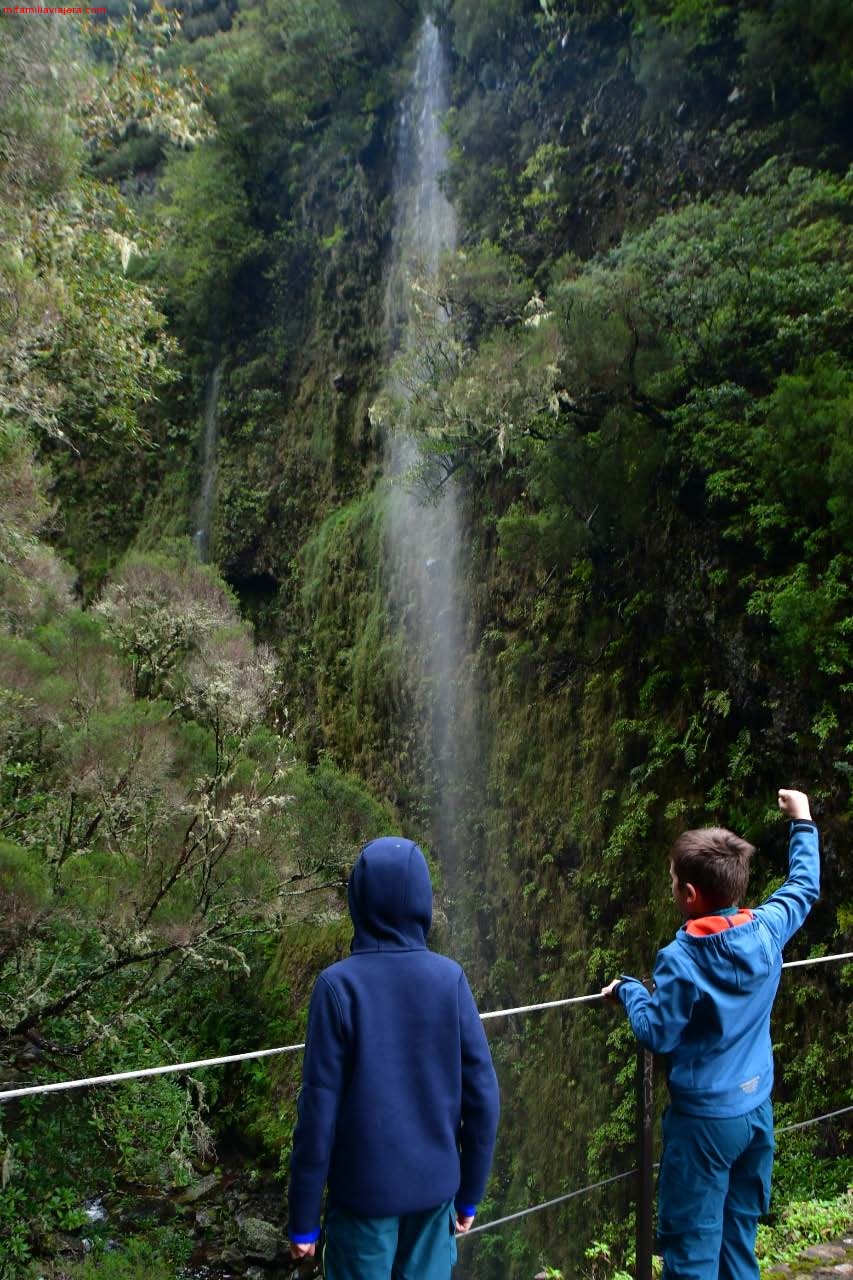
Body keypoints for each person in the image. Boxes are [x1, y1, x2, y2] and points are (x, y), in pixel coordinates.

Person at [602, 788, 820, 1280]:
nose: (672, 886)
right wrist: (802, 821)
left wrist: (630, 991)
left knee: (692, 1249)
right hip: (757, 1112)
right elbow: (803, 887)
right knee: (738, 1237)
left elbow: (658, 1032)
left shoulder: (680, 961)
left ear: (690, 896)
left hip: (704, 1125)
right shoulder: (766, 929)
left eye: (674, 880)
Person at [287, 835, 500, 1279]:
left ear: (357, 900)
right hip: (435, 1200)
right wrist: (469, 1195)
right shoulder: (450, 980)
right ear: (423, 898)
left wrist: (304, 1219)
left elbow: (317, 1113)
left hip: (361, 1205)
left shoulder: (336, 987)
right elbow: (483, 1096)